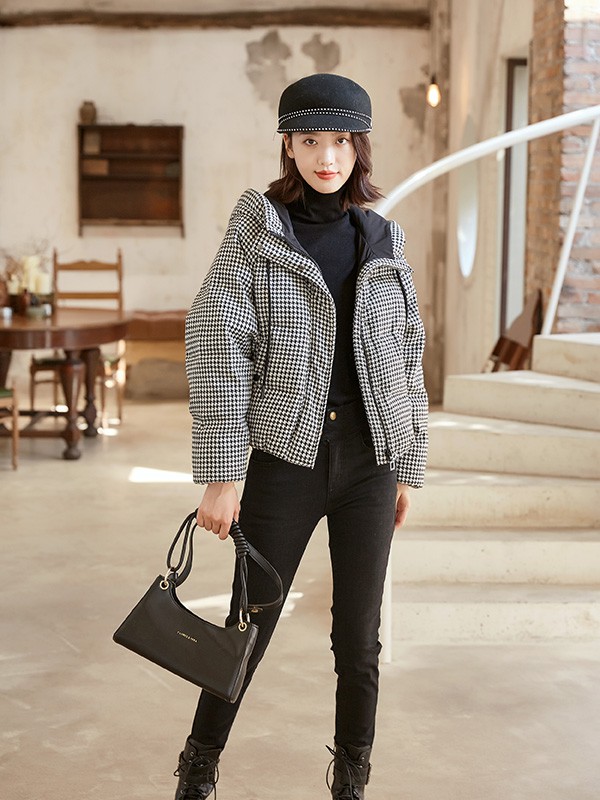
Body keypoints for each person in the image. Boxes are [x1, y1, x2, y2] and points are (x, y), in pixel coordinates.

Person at [180, 73, 428, 800]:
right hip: (287, 458)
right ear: (288, 145)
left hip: (370, 462)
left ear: (359, 147)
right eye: (311, 139)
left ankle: (351, 780)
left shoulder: (382, 237)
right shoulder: (257, 231)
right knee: (248, 626)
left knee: (359, 640)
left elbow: (405, 352)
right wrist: (223, 473)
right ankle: (197, 769)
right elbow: (216, 342)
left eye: (342, 140)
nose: (327, 156)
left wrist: (404, 463)